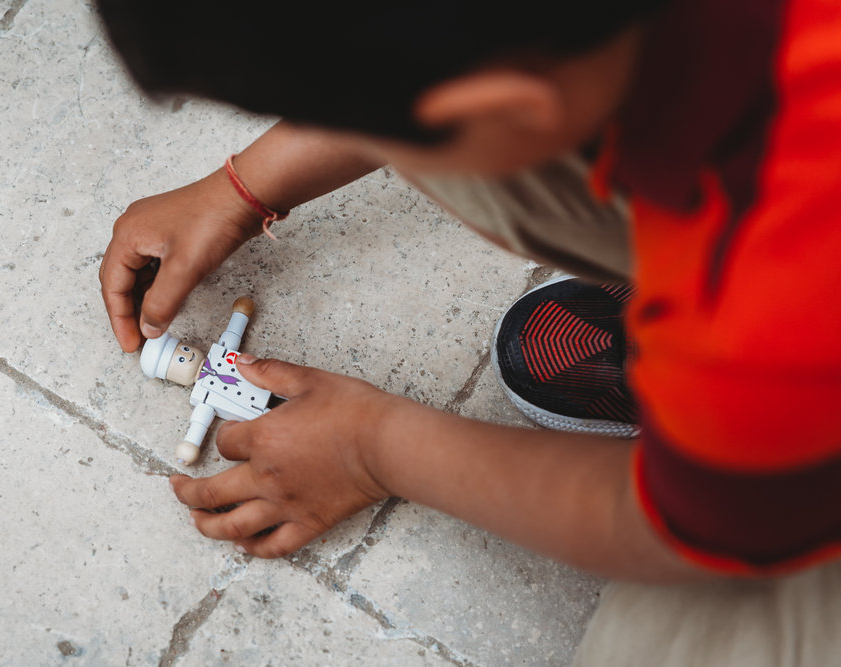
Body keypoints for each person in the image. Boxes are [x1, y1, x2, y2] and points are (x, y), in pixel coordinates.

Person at [93, 1, 841, 664]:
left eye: (348, 119)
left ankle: (749, 432)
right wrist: (241, 186)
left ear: (515, 106)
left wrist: (373, 446)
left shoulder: (779, 295)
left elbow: (663, 528)